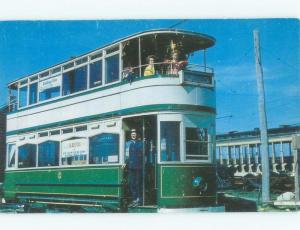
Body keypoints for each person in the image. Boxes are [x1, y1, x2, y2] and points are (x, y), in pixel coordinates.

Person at [126, 129, 143, 206]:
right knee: (132, 183)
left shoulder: (140, 143)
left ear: (137, 135)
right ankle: (134, 199)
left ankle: (139, 199)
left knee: (137, 183)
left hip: (138, 166)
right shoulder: (128, 143)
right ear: (130, 135)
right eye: (132, 134)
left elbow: (142, 154)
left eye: (135, 134)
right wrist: (125, 162)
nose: (133, 135)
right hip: (130, 166)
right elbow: (126, 155)